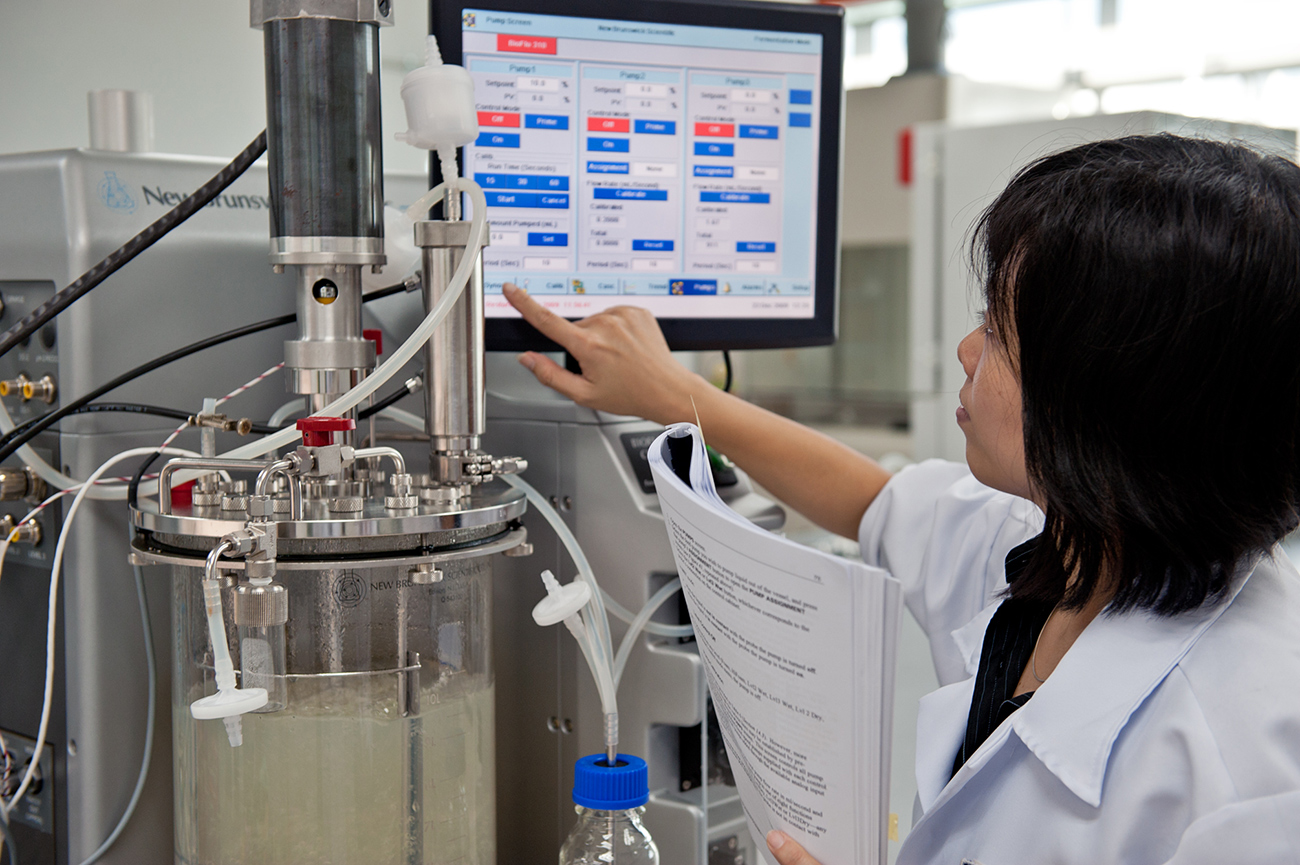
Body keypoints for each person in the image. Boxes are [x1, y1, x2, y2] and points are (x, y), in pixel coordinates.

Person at [503, 134, 1300, 865]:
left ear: (1108, 404)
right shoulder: (1070, 542)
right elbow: (875, 500)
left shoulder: (1246, 782)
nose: (966, 347)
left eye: (1000, 331)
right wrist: (674, 393)